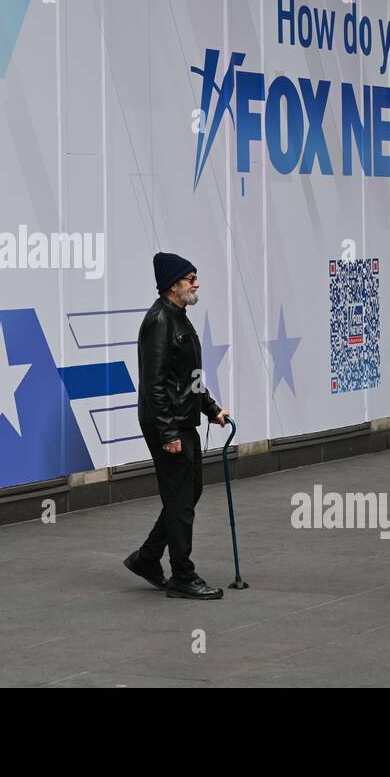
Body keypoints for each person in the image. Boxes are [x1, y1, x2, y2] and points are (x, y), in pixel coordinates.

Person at [124, 252, 231, 600]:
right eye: (190, 278)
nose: (196, 283)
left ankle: (147, 557)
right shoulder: (159, 321)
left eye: (195, 277)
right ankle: (182, 574)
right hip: (165, 423)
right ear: (173, 285)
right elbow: (153, 382)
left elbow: (190, 378)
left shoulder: (180, 318)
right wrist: (168, 432)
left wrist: (211, 408)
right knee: (180, 498)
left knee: (189, 492)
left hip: (182, 420)